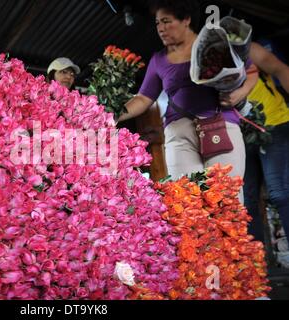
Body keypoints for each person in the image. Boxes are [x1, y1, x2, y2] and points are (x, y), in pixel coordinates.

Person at [117, 0, 258, 189]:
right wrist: (113, 114)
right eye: (158, 23)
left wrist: (240, 93)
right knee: (186, 201)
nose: (161, 28)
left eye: (166, 21)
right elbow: (144, 98)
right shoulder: (158, 60)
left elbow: (251, 71)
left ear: (186, 20)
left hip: (220, 125)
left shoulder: (214, 43)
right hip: (179, 134)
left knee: (225, 199)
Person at [243, 42, 289, 244]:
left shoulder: (247, 48)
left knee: (279, 193)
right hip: (240, 134)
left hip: (274, 124)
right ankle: (257, 268)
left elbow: (281, 69)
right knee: (246, 201)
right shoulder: (203, 60)